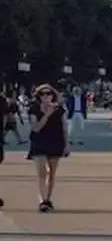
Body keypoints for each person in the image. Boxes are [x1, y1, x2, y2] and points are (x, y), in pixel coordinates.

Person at [27, 84, 69, 212]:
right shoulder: (34, 109)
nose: (46, 96)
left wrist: (67, 145)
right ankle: (43, 200)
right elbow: (36, 128)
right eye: (42, 94)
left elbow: (65, 128)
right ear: (38, 96)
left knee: (52, 173)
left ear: (53, 95)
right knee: (41, 173)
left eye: (48, 94)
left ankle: (48, 199)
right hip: (39, 142)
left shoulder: (60, 110)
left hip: (55, 142)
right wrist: (47, 114)